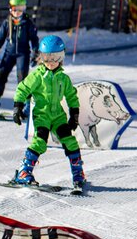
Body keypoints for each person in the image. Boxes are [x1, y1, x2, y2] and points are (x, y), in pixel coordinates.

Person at [9, 35, 85, 191]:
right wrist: (18, 106)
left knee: (70, 141)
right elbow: (22, 89)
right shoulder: (37, 76)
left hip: (58, 116)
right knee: (40, 142)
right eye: (46, 58)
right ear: (40, 57)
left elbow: (71, 96)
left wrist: (74, 114)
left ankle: (78, 174)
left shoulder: (63, 78)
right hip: (42, 115)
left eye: (55, 57)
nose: (51, 62)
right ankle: (24, 173)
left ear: (62, 57)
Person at [0, 0, 39, 116]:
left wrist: (35, 53)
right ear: (10, 9)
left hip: (23, 54)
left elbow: (34, 39)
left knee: (22, 79)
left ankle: (26, 107)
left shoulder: (28, 24)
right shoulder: (7, 23)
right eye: (15, 9)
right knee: (0, 75)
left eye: (21, 9)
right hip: (9, 53)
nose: (18, 12)